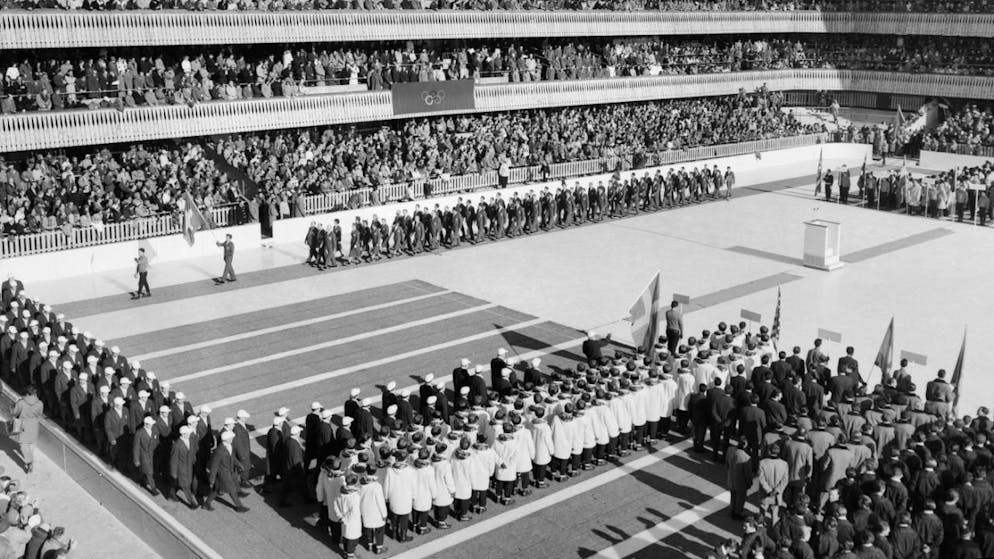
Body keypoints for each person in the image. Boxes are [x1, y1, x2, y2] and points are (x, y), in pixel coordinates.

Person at [203, 430, 249, 512]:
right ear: (227, 439)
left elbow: (232, 458)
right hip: (223, 474)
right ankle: (239, 507)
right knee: (232, 489)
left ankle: (206, 503)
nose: (232, 438)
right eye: (231, 437)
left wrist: (238, 464)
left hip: (228, 472)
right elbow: (214, 466)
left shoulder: (229, 446)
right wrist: (212, 479)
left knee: (217, 489)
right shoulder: (219, 451)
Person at [11, 387, 44, 473]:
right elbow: (40, 414)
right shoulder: (40, 403)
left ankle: (29, 462)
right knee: (32, 443)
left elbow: (15, 413)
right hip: (34, 425)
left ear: (27, 393)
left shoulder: (21, 402)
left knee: (24, 445)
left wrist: (14, 404)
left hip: (24, 426)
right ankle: (30, 457)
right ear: (35, 394)